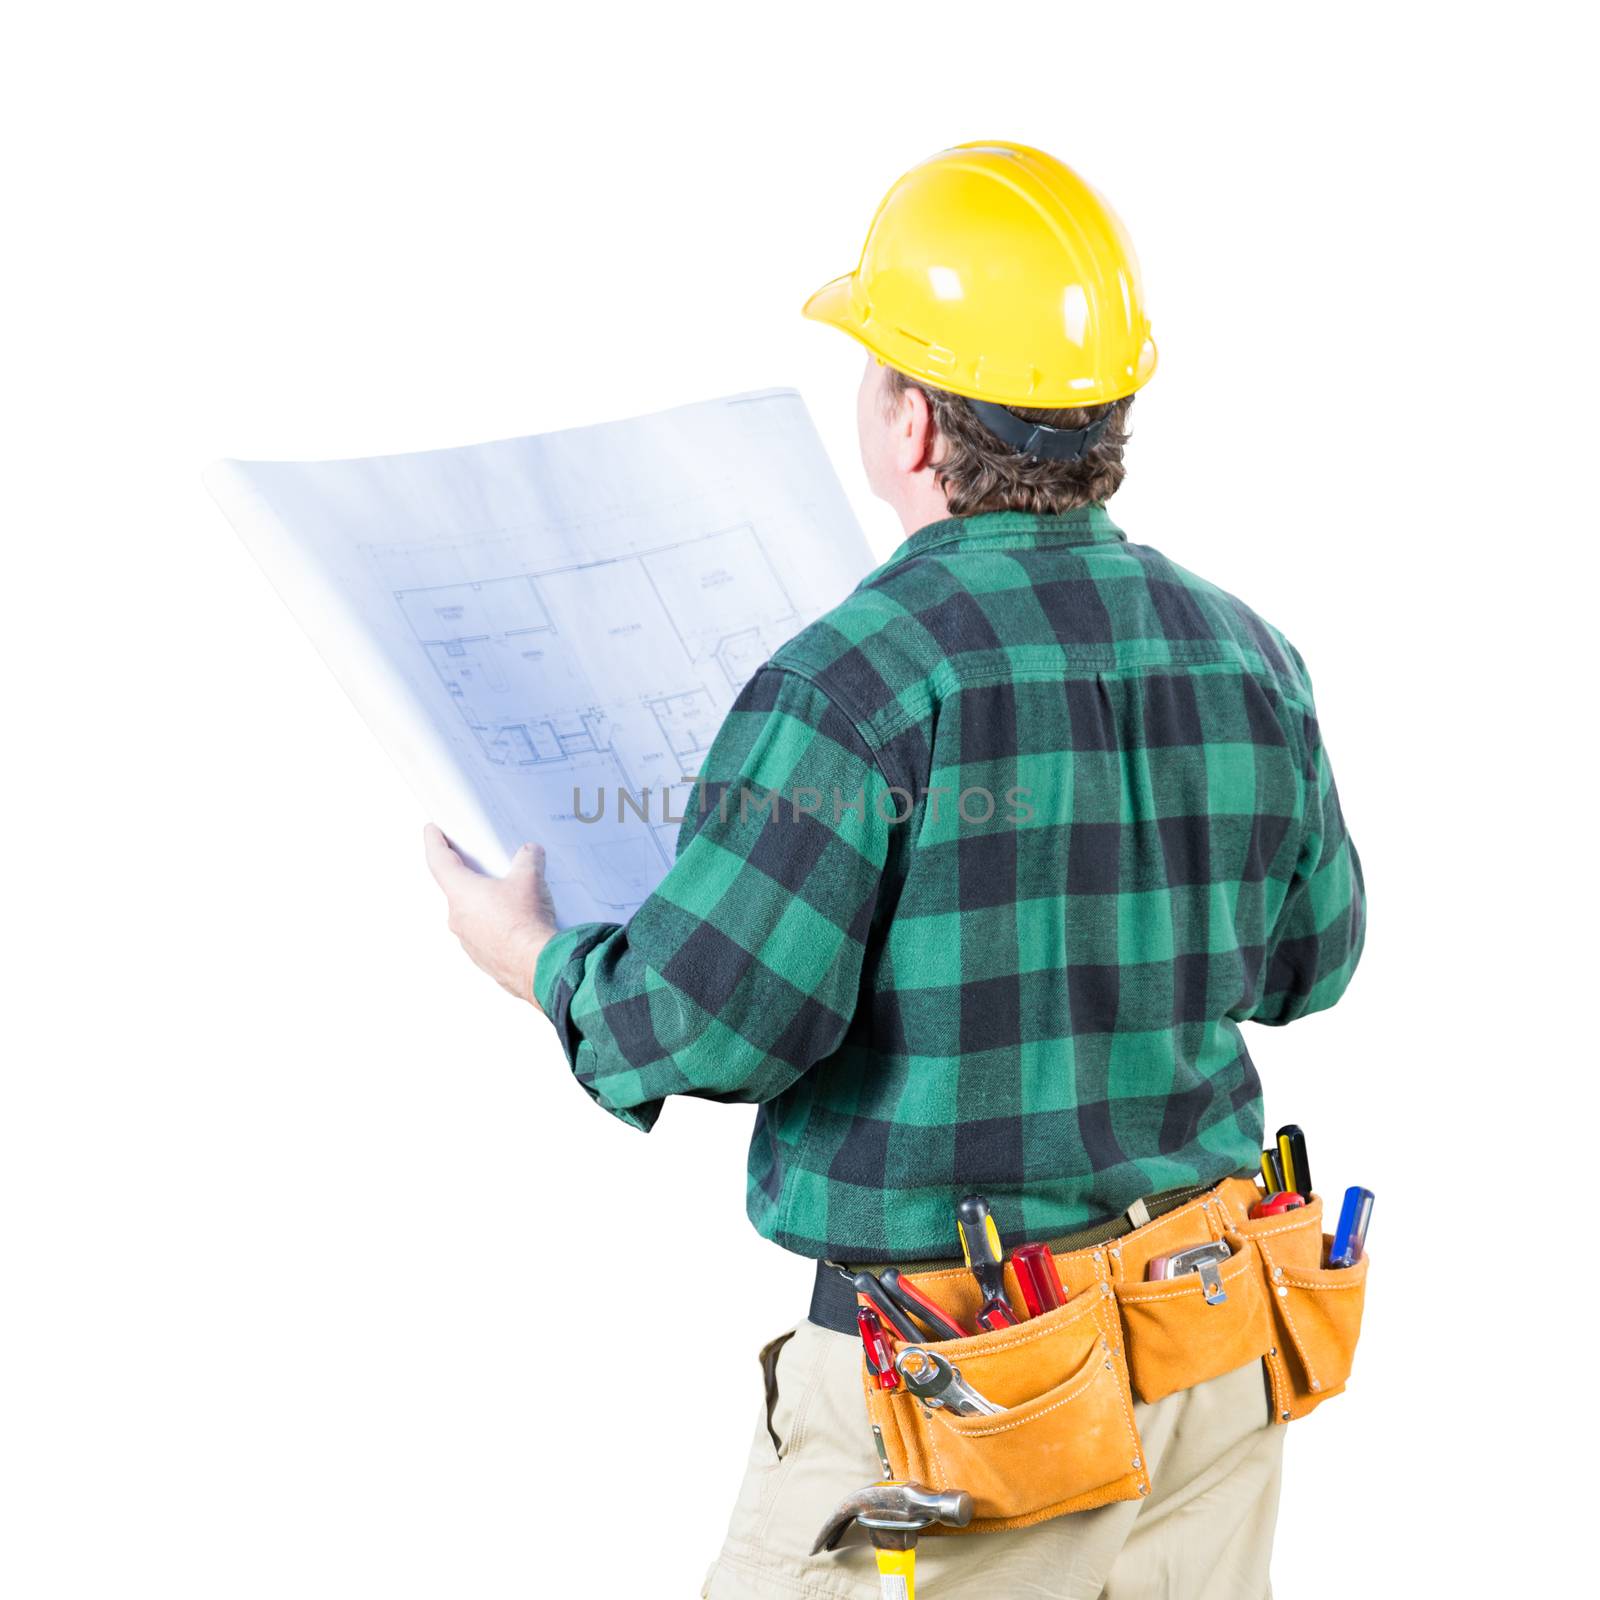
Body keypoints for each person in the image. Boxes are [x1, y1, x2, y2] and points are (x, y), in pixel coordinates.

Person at [424, 141, 1365, 1599]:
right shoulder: (1246, 655)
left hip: (965, 1406)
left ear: (913, 422)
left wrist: (532, 958)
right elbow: (1315, 965)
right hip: (1210, 1359)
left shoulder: (853, 685)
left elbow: (708, 1023)